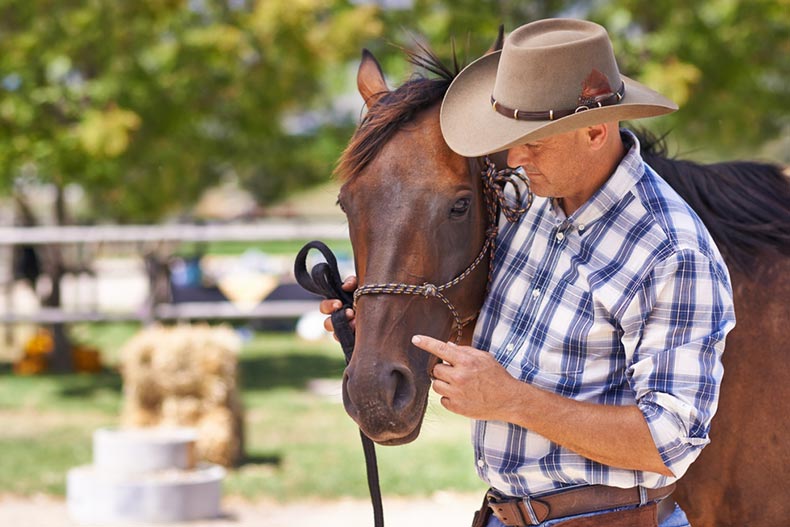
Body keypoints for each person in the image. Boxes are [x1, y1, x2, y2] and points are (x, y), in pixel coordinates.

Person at [321, 18, 735, 527]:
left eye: (533, 142)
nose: (514, 157)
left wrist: (514, 401)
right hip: (505, 514)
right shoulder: (533, 202)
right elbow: (492, 315)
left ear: (594, 129)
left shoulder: (671, 252)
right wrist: (382, 308)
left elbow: (669, 441)